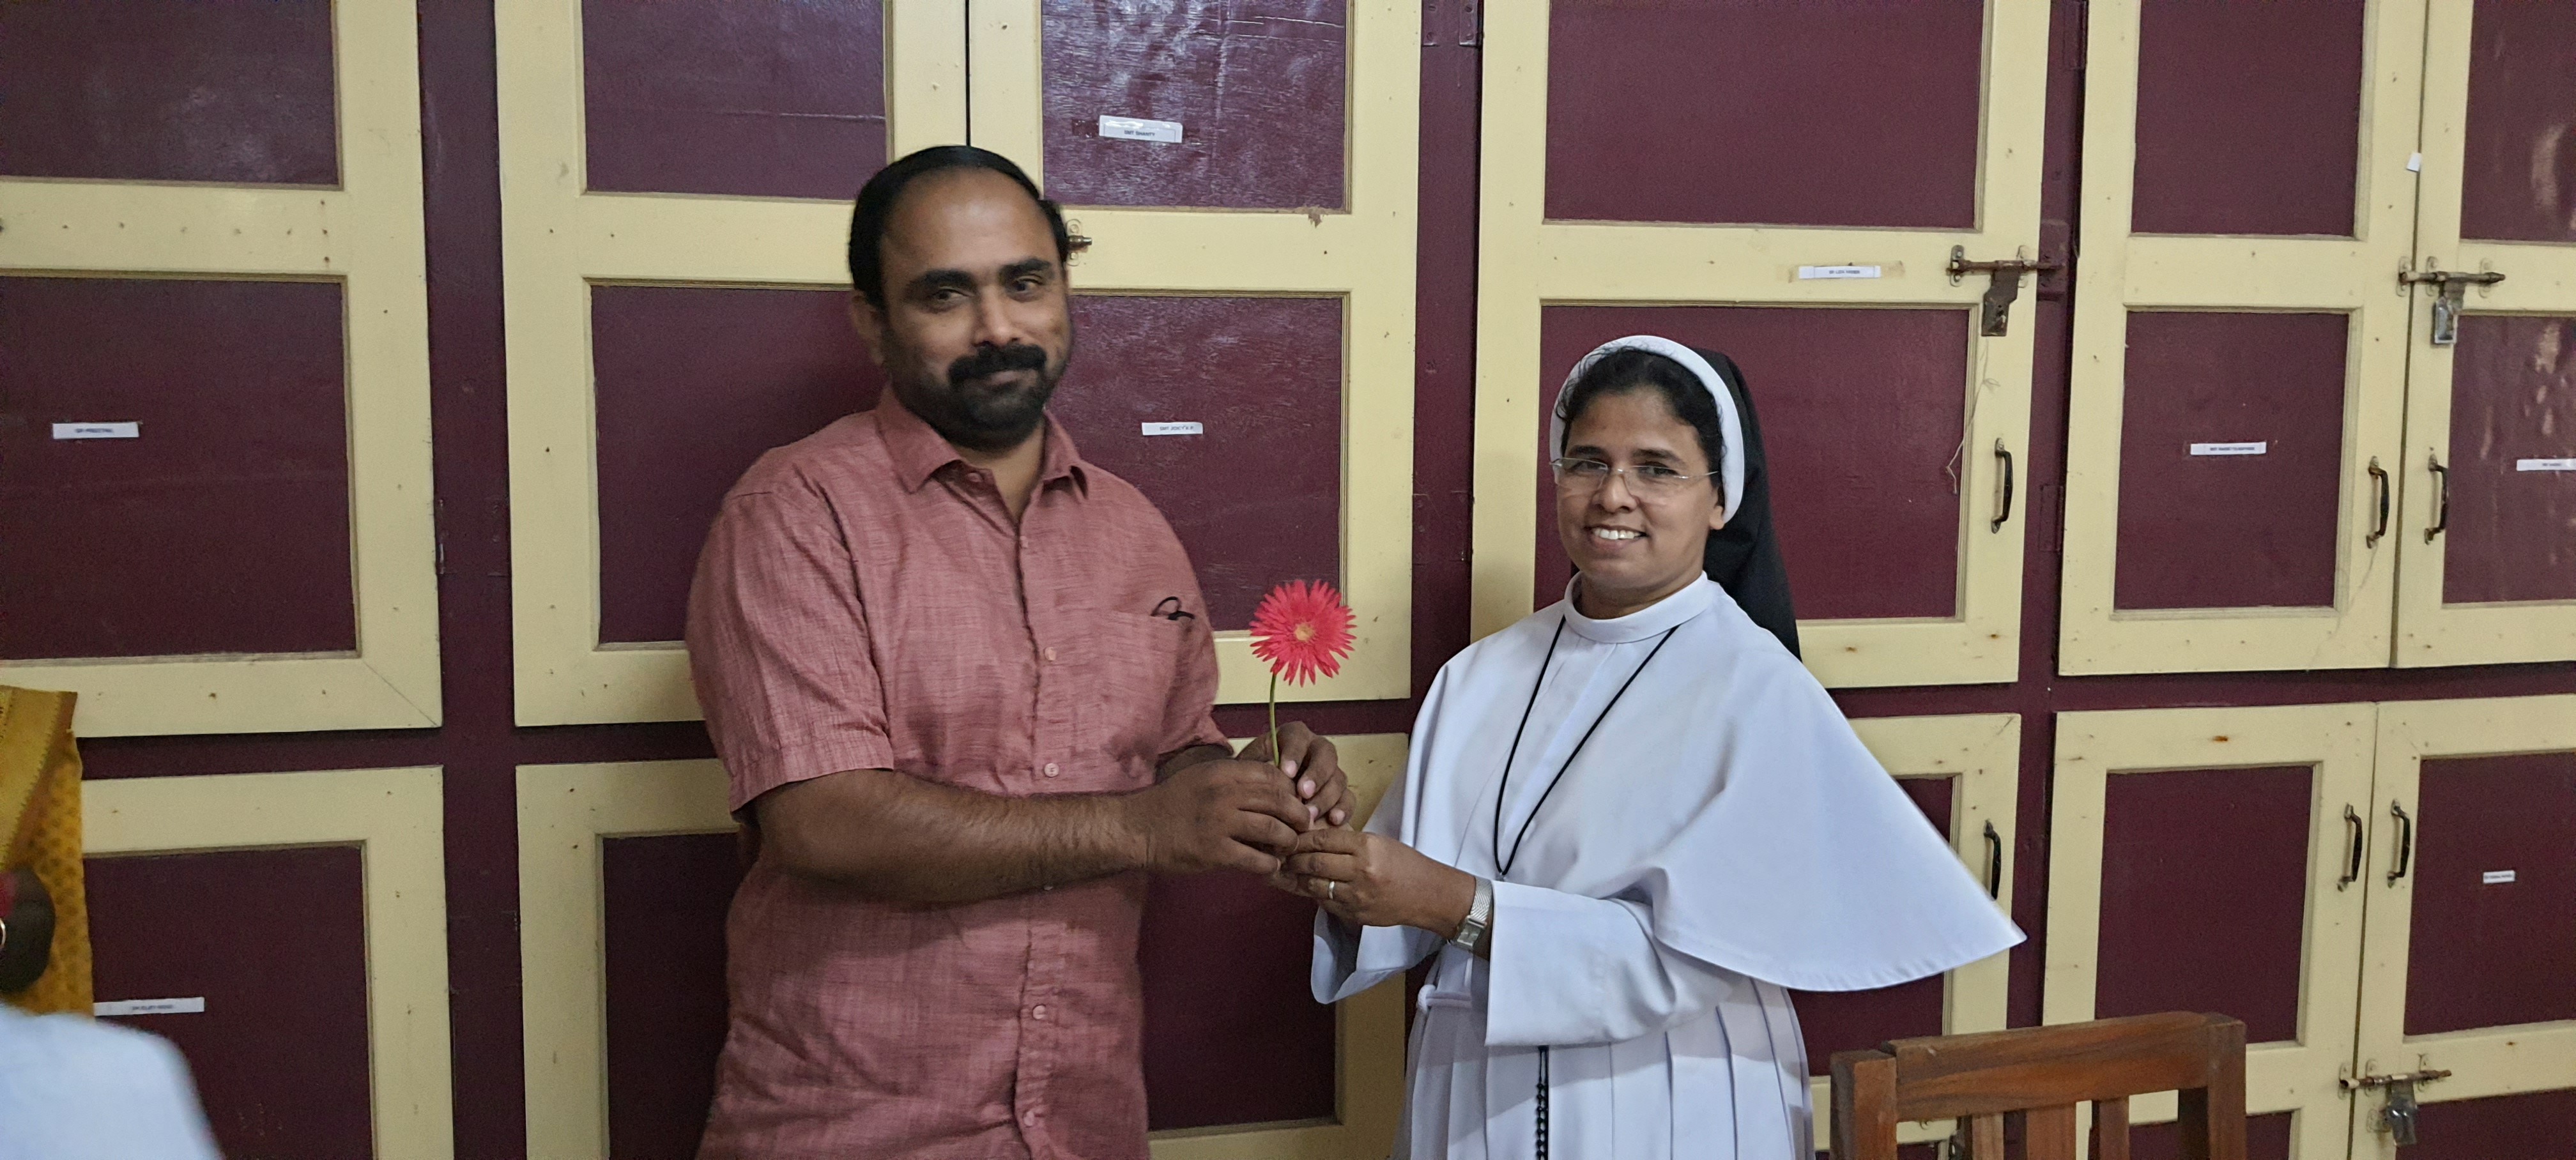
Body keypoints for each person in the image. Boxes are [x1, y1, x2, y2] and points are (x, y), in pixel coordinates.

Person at [684, 146, 1356, 1160]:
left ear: (1064, 291)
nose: (998, 327)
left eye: (1026, 283)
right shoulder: (795, 512)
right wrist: (1142, 828)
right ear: (872, 320)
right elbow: (823, 821)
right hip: (855, 1126)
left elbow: (1172, 759)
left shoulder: (1133, 530)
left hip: (1084, 1121)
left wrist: (1248, 790)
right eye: (945, 294)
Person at [1277, 337, 2023, 1159]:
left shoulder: (1757, 689)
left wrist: (1455, 904)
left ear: (1721, 499)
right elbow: (1403, 898)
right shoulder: (1478, 675)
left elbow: (1685, 962)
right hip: (1474, 1085)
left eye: (1657, 469)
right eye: (1587, 463)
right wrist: (1324, 856)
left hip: (1670, 1092)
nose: (1613, 495)